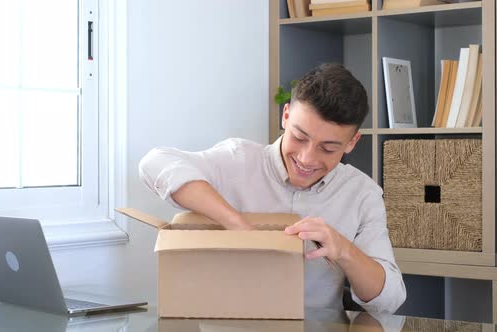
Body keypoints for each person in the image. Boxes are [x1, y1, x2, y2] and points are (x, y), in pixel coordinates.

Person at [138, 63, 406, 313]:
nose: (306, 159)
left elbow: (389, 300)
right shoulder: (237, 160)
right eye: (299, 137)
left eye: (328, 148)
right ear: (286, 116)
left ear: (351, 143)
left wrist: (345, 250)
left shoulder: (362, 193)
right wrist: (236, 223)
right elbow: (154, 162)